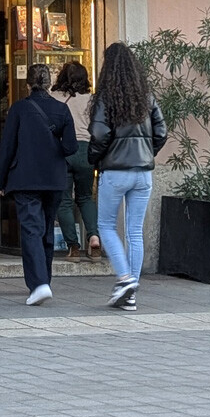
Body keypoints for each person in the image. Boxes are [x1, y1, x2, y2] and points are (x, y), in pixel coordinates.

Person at [87, 42, 166, 312]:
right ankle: (131, 293)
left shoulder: (106, 97)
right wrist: (145, 153)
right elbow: (161, 133)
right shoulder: (147, 96)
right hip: (143, 173)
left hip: (115, 172)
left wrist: (94, 159)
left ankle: (125, 279)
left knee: (106, 227)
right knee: (134, 232)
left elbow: (99, 135)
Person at [0, 61, 78, 306]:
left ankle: (39, 283)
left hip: (25, 178)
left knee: (31, 229)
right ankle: (45, 281)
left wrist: (0, 181)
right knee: (46, 229)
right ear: (49, 84)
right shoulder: (62, 110)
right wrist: (55, 148)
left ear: (28, 84)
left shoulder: (19, 109)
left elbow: (7, 147)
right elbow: (71, 146)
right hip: (54, 179)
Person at [51, 61, 99, 261]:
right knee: (85, 197)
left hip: (63, 150)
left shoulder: (54, 98)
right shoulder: (92, 100)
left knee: (64, 201)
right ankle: (94, 238)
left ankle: (73, 247)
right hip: (86, 151)